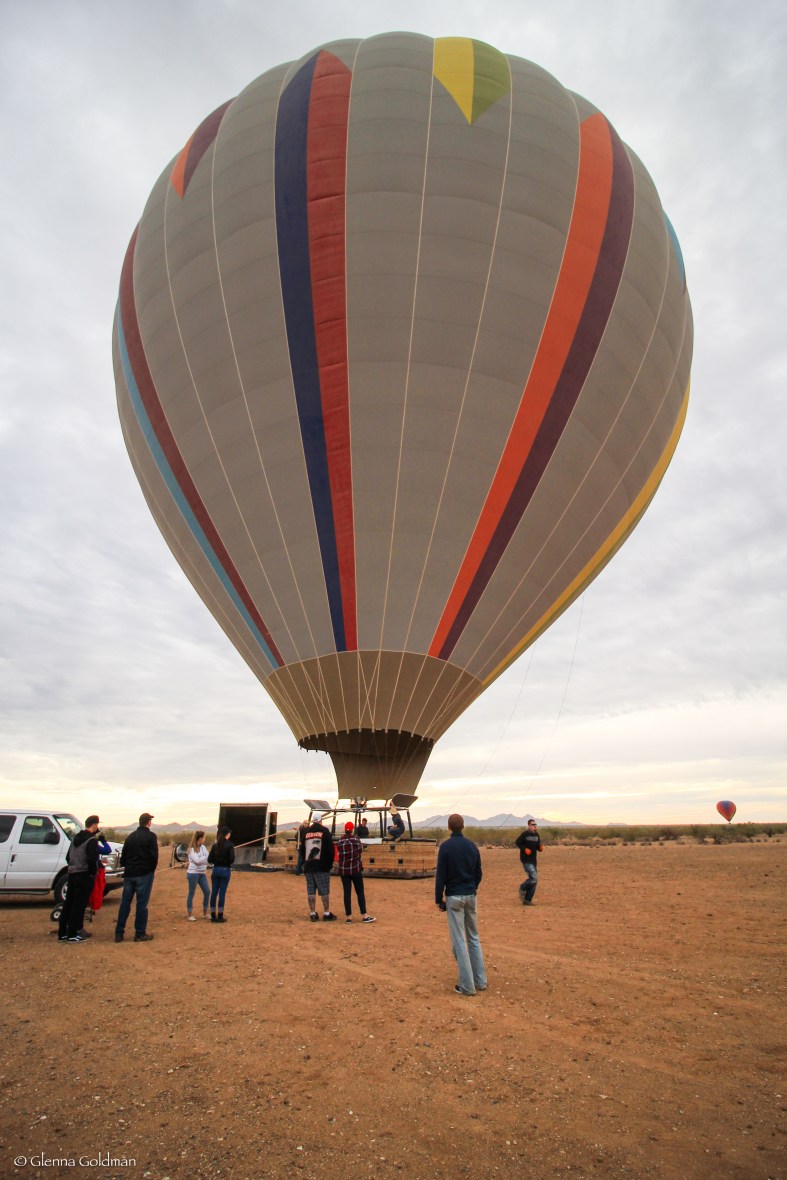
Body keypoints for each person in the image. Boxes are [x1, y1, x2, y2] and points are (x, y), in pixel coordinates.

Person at [434, 814, 487, 996]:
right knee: (473, 937)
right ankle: (480, 980)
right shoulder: (472, 846)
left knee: (459, 941)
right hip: (470, 895)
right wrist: (472, 888)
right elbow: (478, 872)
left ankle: (467, 985)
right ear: (462, 826)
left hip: (454, 897)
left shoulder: (446, 847)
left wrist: (438, 899)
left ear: (449, 828)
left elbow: (441, 875)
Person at [114, 812, 158, 944]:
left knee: (125, 903)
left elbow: (124, 857)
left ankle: (119, 933)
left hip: (129, 874)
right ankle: (139, 933)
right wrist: (150, 870)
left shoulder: (130, 837)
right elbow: (153, 856)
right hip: (144, 874)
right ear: (148, 822)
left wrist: (128, 867)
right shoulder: (151, 837)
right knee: (141, 904)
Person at [58, 814, 102, 943]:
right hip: (84, 875)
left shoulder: (75, 838)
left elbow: (68, 857)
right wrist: (92, 873)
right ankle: (73, 934)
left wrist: (73, 866)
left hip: (72, 873)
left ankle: (62, 932)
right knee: (79, 905)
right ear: (94, 824)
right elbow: (92, 859)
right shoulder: (91, 840)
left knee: (69, 903)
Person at [336, 822, 376, 924]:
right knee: (360, 892)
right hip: (355, 869)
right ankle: (364, 915)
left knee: (347, 893)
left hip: (344, 870)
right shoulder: (356, 840)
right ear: (352, 829)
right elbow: (360, 851)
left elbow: (339, 853)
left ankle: (348, 917)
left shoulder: (340, 841)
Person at [303, 812, 336, 922]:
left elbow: (302, 850)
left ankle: (313, 913)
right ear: (321, 820)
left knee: (311, 891)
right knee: (324, 890)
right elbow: (331, 850)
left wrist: (304, 863)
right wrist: (329, 864)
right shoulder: (325, 832)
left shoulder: (306, 832)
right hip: (321, 867)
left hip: (309, 866)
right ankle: (326, 913)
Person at [207, 826, 235, 922]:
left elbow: (209, 859)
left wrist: (217, 860)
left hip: (215, 870)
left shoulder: (215, 845)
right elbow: (232, 859)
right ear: (227, 834)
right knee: (222, 893)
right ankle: (220, 915)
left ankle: (212, 915)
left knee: (214, 893)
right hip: (225, 870)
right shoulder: (230, 845)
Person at [515, 818, 544, 906]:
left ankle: (527, 900)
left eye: (535, 825)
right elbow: (517, 842)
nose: (534, 826)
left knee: (535, 880)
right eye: (533, 825)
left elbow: (538, 846)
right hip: (526, 860)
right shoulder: (525, 834)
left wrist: (540, 848)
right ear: (529, 826)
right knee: (534, 878)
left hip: (533, 860)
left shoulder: (537, 835)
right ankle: (522, 887)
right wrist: (525, 849)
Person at [186, 830, 210, 920]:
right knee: (192, 892)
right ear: (200, 838)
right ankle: (190, 914)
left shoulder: (204, 847)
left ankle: (205, 913)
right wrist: (206, 858)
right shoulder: (191, 849)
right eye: (204, 837)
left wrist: (205, 859)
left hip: (202, 873)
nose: (204, 839)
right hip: (193, 873)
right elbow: (197, 861)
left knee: (207, 891)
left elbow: (206, 859)